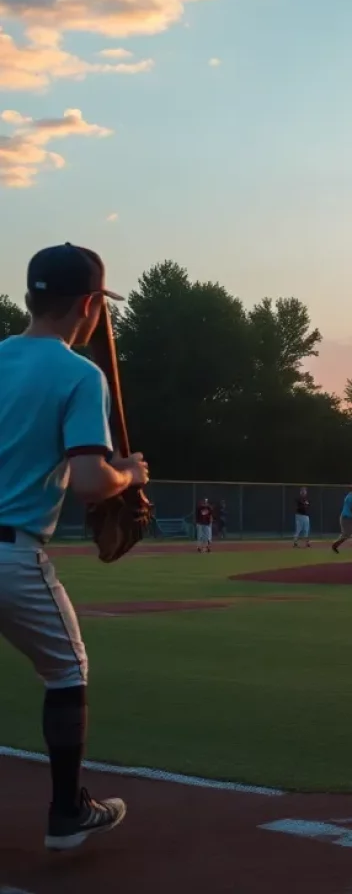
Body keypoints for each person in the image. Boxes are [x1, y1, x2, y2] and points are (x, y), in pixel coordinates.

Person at [0, 243, 149, 850]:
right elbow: (90, 483)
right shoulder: (80, 375)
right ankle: (67, 813)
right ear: (88, 306)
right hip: (11, 552)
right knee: (67, 668)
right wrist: (128, 476)